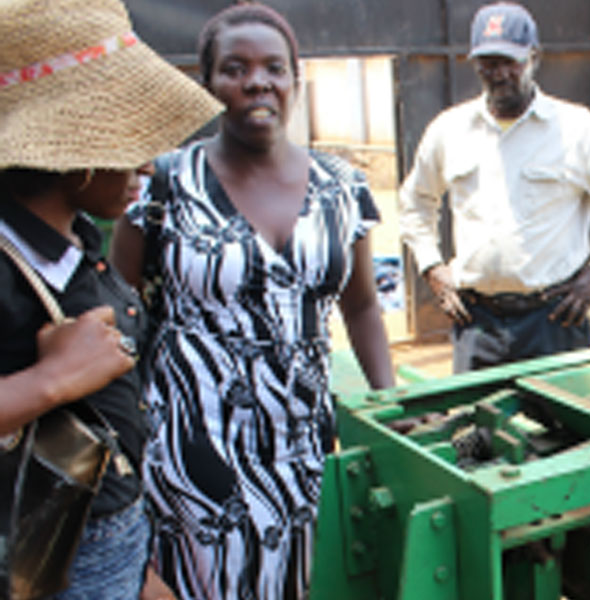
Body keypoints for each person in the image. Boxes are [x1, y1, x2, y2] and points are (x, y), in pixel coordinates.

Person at [109, 3, 395, 598]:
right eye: (235, 69)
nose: (257, 81)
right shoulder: (164, 184)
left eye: (274, 68)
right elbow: (119, 304)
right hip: (195, 447)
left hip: (305, 444)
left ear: (295, 80)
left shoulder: (342, 187)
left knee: (302, 580)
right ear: (206, 83)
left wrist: (388, 402)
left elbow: (362, 305)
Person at [0, 0, 222, 598]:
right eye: (130, 140)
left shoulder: (76, 238)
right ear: (74, 152)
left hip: (104, 538)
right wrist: (52, 379)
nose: (148, 164)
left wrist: (138, 571)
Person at [399, 1, 590, 373]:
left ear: (534, 57)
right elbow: (415, 204)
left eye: (509, 61)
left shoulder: (576, 130)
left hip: (555, 322)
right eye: (487, 62)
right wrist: (432, 267)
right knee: (474, 428)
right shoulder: (449, 131)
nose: (498, 73)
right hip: (476, 322)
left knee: (563, 430)